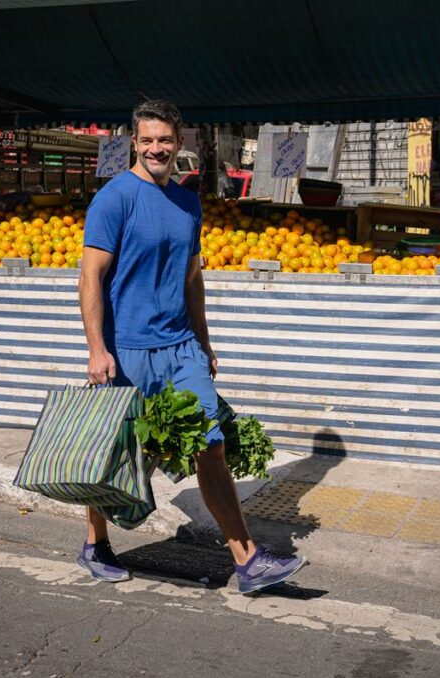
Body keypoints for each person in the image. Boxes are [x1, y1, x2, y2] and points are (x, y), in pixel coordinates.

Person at [77, 99, 307, 594]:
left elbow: (192, 279)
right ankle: (95, 543)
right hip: (130, 349)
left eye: (165, 139)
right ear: (134, 143)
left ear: (178, 143)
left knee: (212, 444)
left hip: (180, 346)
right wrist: (98, 349)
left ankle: (247, 561)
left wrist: (204, 343)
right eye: (147, 140)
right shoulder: (114, 198)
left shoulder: (188, 202)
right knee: (118, 454)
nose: (156, 148)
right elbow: (90, 277)